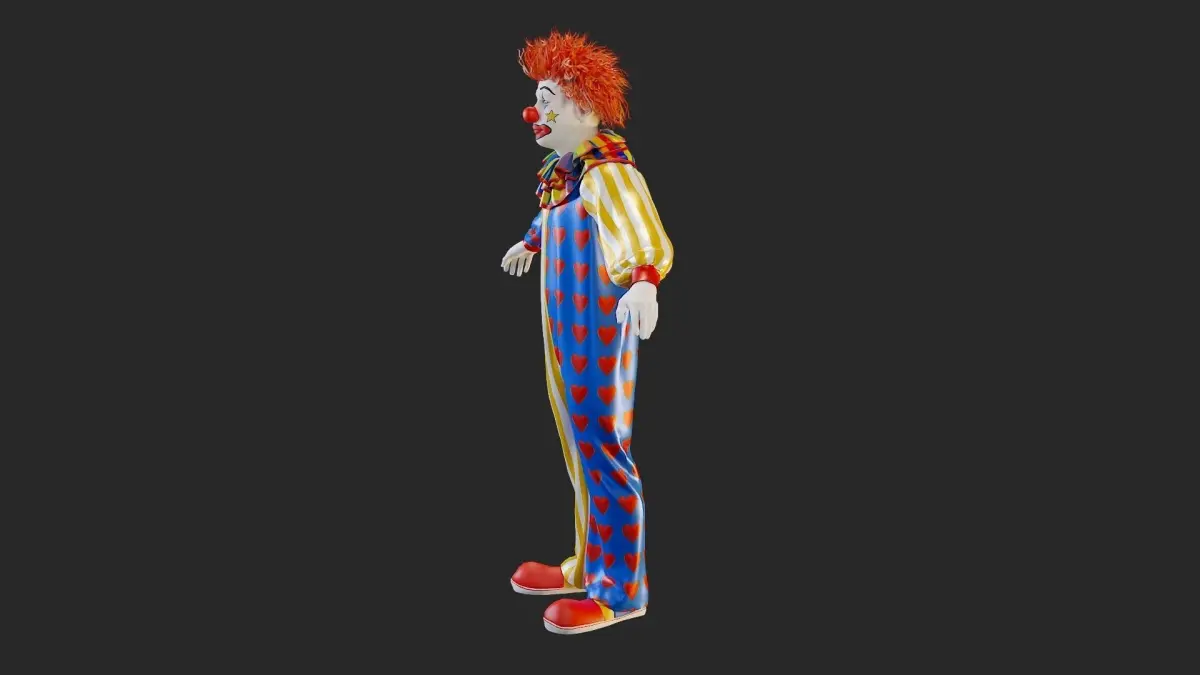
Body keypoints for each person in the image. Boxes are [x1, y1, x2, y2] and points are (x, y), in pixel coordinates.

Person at [499, 30, 674, 635]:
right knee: (581, 452)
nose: (535, 113)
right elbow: (551, 220)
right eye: (536, 101)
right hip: (566, 339)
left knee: (604, 451)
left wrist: (644, 281)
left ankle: (620, 591)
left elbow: (637, 228)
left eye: (546, 101)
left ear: (582, 106)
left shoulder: (607, 174)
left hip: (599, 337)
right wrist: (529, 243)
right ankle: (588, 565)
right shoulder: (565, 176)